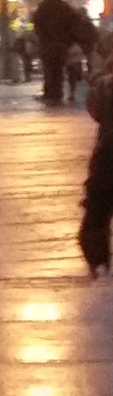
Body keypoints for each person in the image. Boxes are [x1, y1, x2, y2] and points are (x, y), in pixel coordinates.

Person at [79, 28, 113, 275]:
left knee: (98, 201)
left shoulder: (104, 85)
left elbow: (96, 111)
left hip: (108, 150)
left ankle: (96, 257)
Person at [34, 0, 76, 105]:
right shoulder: (64, 7)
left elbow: (37, 25)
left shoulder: (42, 8)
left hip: (47, 44)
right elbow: (72, 23)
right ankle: (57, 92)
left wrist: (42, 38)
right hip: (62, 44)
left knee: (49, 68)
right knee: (59, 68)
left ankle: (50, 92)